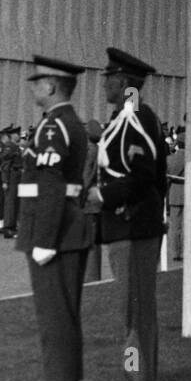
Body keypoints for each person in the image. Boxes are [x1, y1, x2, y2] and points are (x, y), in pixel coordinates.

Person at [13, 56, 93, 381]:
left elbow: (50, 186)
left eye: (36, 82)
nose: (32, 88)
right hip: (61, 230)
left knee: (56, 319)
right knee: (60, 317)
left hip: (54, 235)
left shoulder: (54, 127)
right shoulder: (60, 124)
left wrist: (43, 240)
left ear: (51, 86)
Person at [96, 47, 168, 381]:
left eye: (108, 77)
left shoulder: (134, 119)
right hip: (134, 224)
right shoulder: (130, 117)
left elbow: (142, 177)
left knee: (134, 314)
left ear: (124, 82)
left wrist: (103, 197)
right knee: (134, 312)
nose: (103, 82)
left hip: (132, 225)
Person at [82, 118, 105, 282]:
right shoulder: (96, 149)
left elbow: (86, 177)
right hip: (95, 200)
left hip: (87, 201)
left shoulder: (89, 150)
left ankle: (90, 276)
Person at [165, 134, 185, 262]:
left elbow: (167, 176)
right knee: (188, 226)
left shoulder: (172, 158)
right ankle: (186, 250)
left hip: (175, 192)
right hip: (189, 192)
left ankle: (176, 252)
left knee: (175, 226)